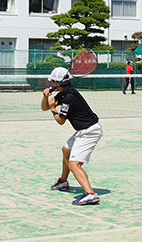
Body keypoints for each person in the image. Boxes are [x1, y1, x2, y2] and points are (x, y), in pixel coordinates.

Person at [42, 67, 103, 206]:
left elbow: (60, 121)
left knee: (74, 164)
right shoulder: (64, 92)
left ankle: (90, 194)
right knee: (66, 150)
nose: (51, 84)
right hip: (83, 130)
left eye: (52, 82)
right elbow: (44, 107)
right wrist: (45, 97)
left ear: (57, 82)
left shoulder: (69, 97)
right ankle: (63, 182)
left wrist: (53, 110)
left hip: (90, 131)